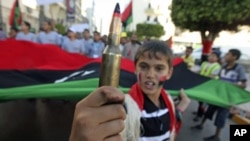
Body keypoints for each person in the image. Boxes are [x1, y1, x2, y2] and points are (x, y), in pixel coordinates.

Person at [69, 41, 191, 141]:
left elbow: (171, 125)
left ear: (169, 73)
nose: (150, 74)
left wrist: (181, 107)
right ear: (135, 69)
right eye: (144, 66)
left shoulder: (168, 100)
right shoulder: (123, 108)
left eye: (159, 68)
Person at [192, 49, 247, 141]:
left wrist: (231, 86)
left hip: (227, 98)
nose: (226, 56)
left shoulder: (239, 68)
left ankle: (217, 136)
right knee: (209, 110)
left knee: (221, 116)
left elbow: (244, 84)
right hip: (218, 95)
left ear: (235, 57)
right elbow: (215, 76)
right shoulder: (224, 66)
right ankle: (201, 125)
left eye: (228, 54)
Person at [193, 51, 221, 121]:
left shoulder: (217, 66)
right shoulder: (204, 63)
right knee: (200, 100)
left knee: (203, 102)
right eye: (211, 55)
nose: (211, 57)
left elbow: (212, 76)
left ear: (217, 58)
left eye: (214, 56)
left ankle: (199, 115)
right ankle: (199, 112)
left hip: (209, 86)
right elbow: (199, 71)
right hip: (202, 85)